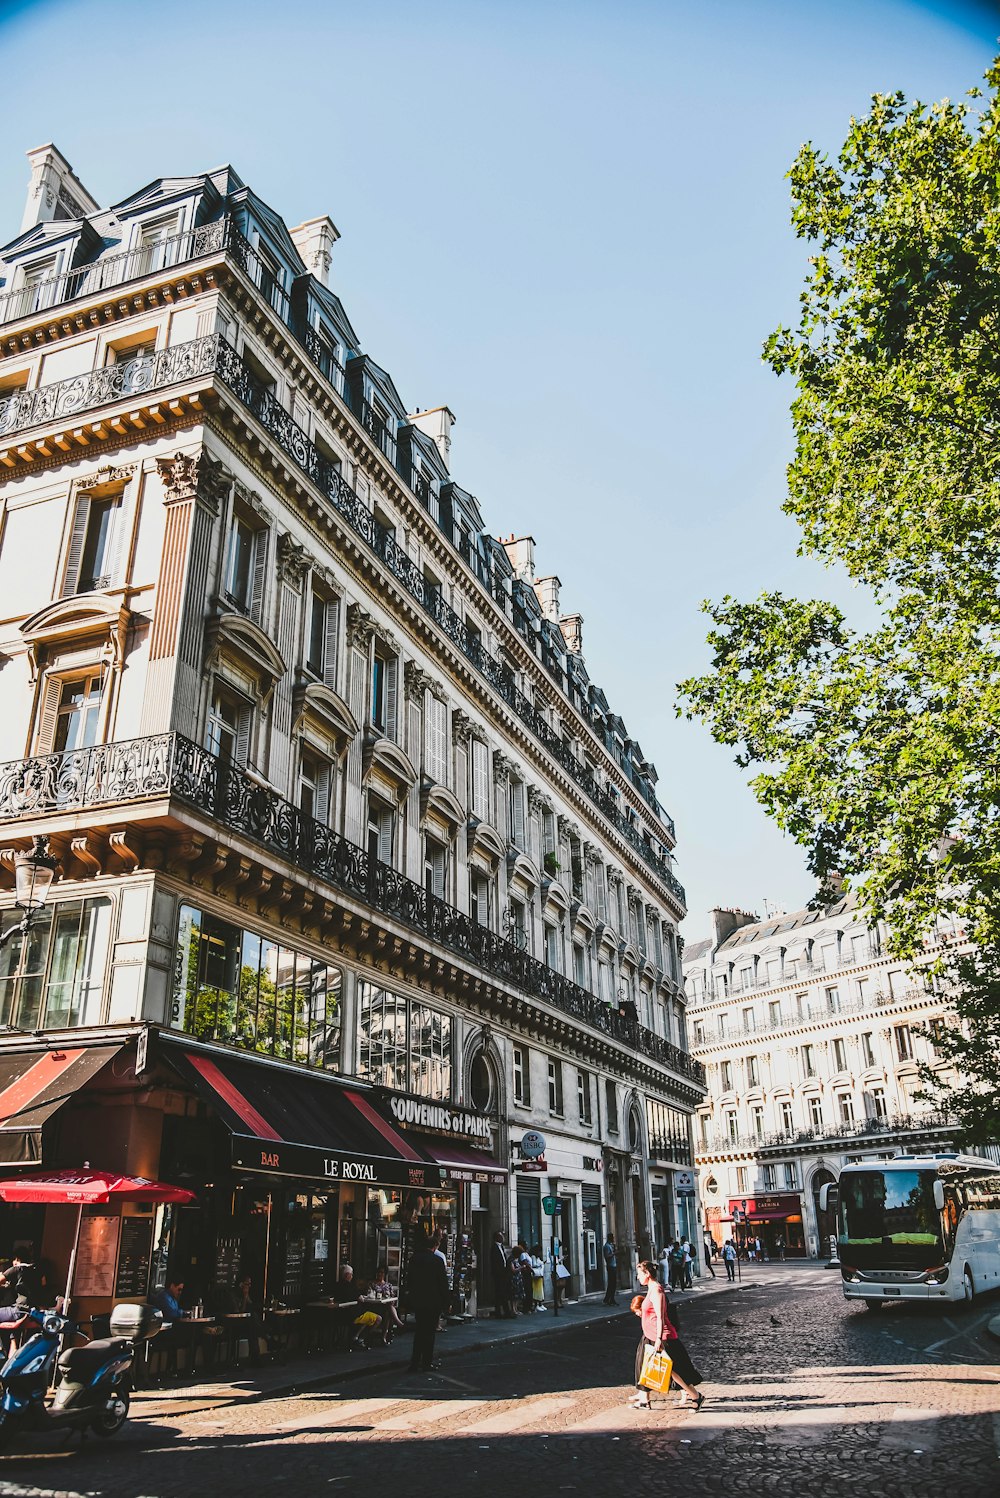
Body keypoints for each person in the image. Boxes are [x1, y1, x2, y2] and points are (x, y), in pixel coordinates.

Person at [629, 1260, 702, 1410]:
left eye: (639, 1274)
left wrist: (658, 1339)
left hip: (662, 1337)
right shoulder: (651, 1289)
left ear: (647, 1274)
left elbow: (661, 1316)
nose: (638, 1278)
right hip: (650, 1335)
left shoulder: (657, 1290)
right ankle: (645, 1400)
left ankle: (695, 1396)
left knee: (675, 1370)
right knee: (649, 1367)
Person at [406, 1231, 450, 1374]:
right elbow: (443, 1283)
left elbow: (409, 1280)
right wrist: (446, 1301)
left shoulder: (414, 1259)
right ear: (435, 1247)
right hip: (433, 1301)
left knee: (419, 1331)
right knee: (429, 1333)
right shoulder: (437, 1261)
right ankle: (426, 1362)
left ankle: (414, 1362)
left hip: (418, 1300)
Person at [491, 1232, 514, 1318]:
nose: (503, 1238)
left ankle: (501, 1312)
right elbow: (495, 1262)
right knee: (501, 1293)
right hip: (499, 1275)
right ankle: (505, 1312)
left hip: (504, 1273)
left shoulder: (501, 1247)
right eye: (501, 1236)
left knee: (501, 1293)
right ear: (497, 1237)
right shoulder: (494, 1248)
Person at [602, 1232, 618, 1306]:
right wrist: (614, 1253)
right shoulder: (606, 1246)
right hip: (610, 1266)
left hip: (613, 1266)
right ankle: (608, 1299)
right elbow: (607, 1256)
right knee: (611, 1284)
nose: (613, 1239)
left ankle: (610, 1298)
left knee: (613, 1284)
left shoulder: (610, 1246)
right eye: (612, 1238)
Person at [529, 1246, 546, 1311]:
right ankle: (536, 1304)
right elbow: (534, 1265)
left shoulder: (538, 1257)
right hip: (536, 1275)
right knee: (536, 1291)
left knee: (540, 1290)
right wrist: (541, 1264)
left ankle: (540, 1304)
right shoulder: (533, 1257)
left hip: (539, 1274)